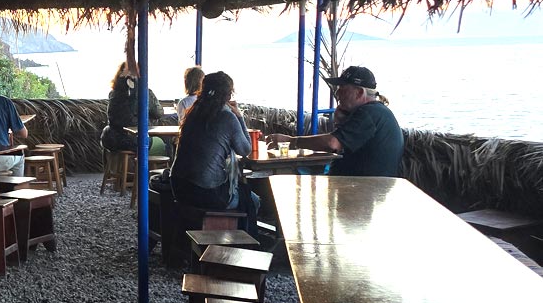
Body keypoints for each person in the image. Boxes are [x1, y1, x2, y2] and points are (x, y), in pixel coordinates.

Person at [268, 66, 403, 177]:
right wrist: (342, 119)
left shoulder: (369, 114)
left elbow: (332, 143)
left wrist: (292, 141)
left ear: (360, 93)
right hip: (360, 188)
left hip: (363, 193)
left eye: (342, 90)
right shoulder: (375, 112)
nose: (337, 94)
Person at [169, 71, 258, 235]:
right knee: (252, 200)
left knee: (246, 196)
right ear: (228, 95)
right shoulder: (227, 117)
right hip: (206, 192)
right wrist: (239, 116)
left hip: (179, 187)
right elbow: (245, 150)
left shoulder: (192, 113)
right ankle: (240, 245)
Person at [101, 62, 163, 153]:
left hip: (110, 139)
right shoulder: (145, 92)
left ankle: (113, 166)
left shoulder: (113, 93)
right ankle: (160, 167)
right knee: (162, 143)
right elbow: (158, 113)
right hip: (134, 140)